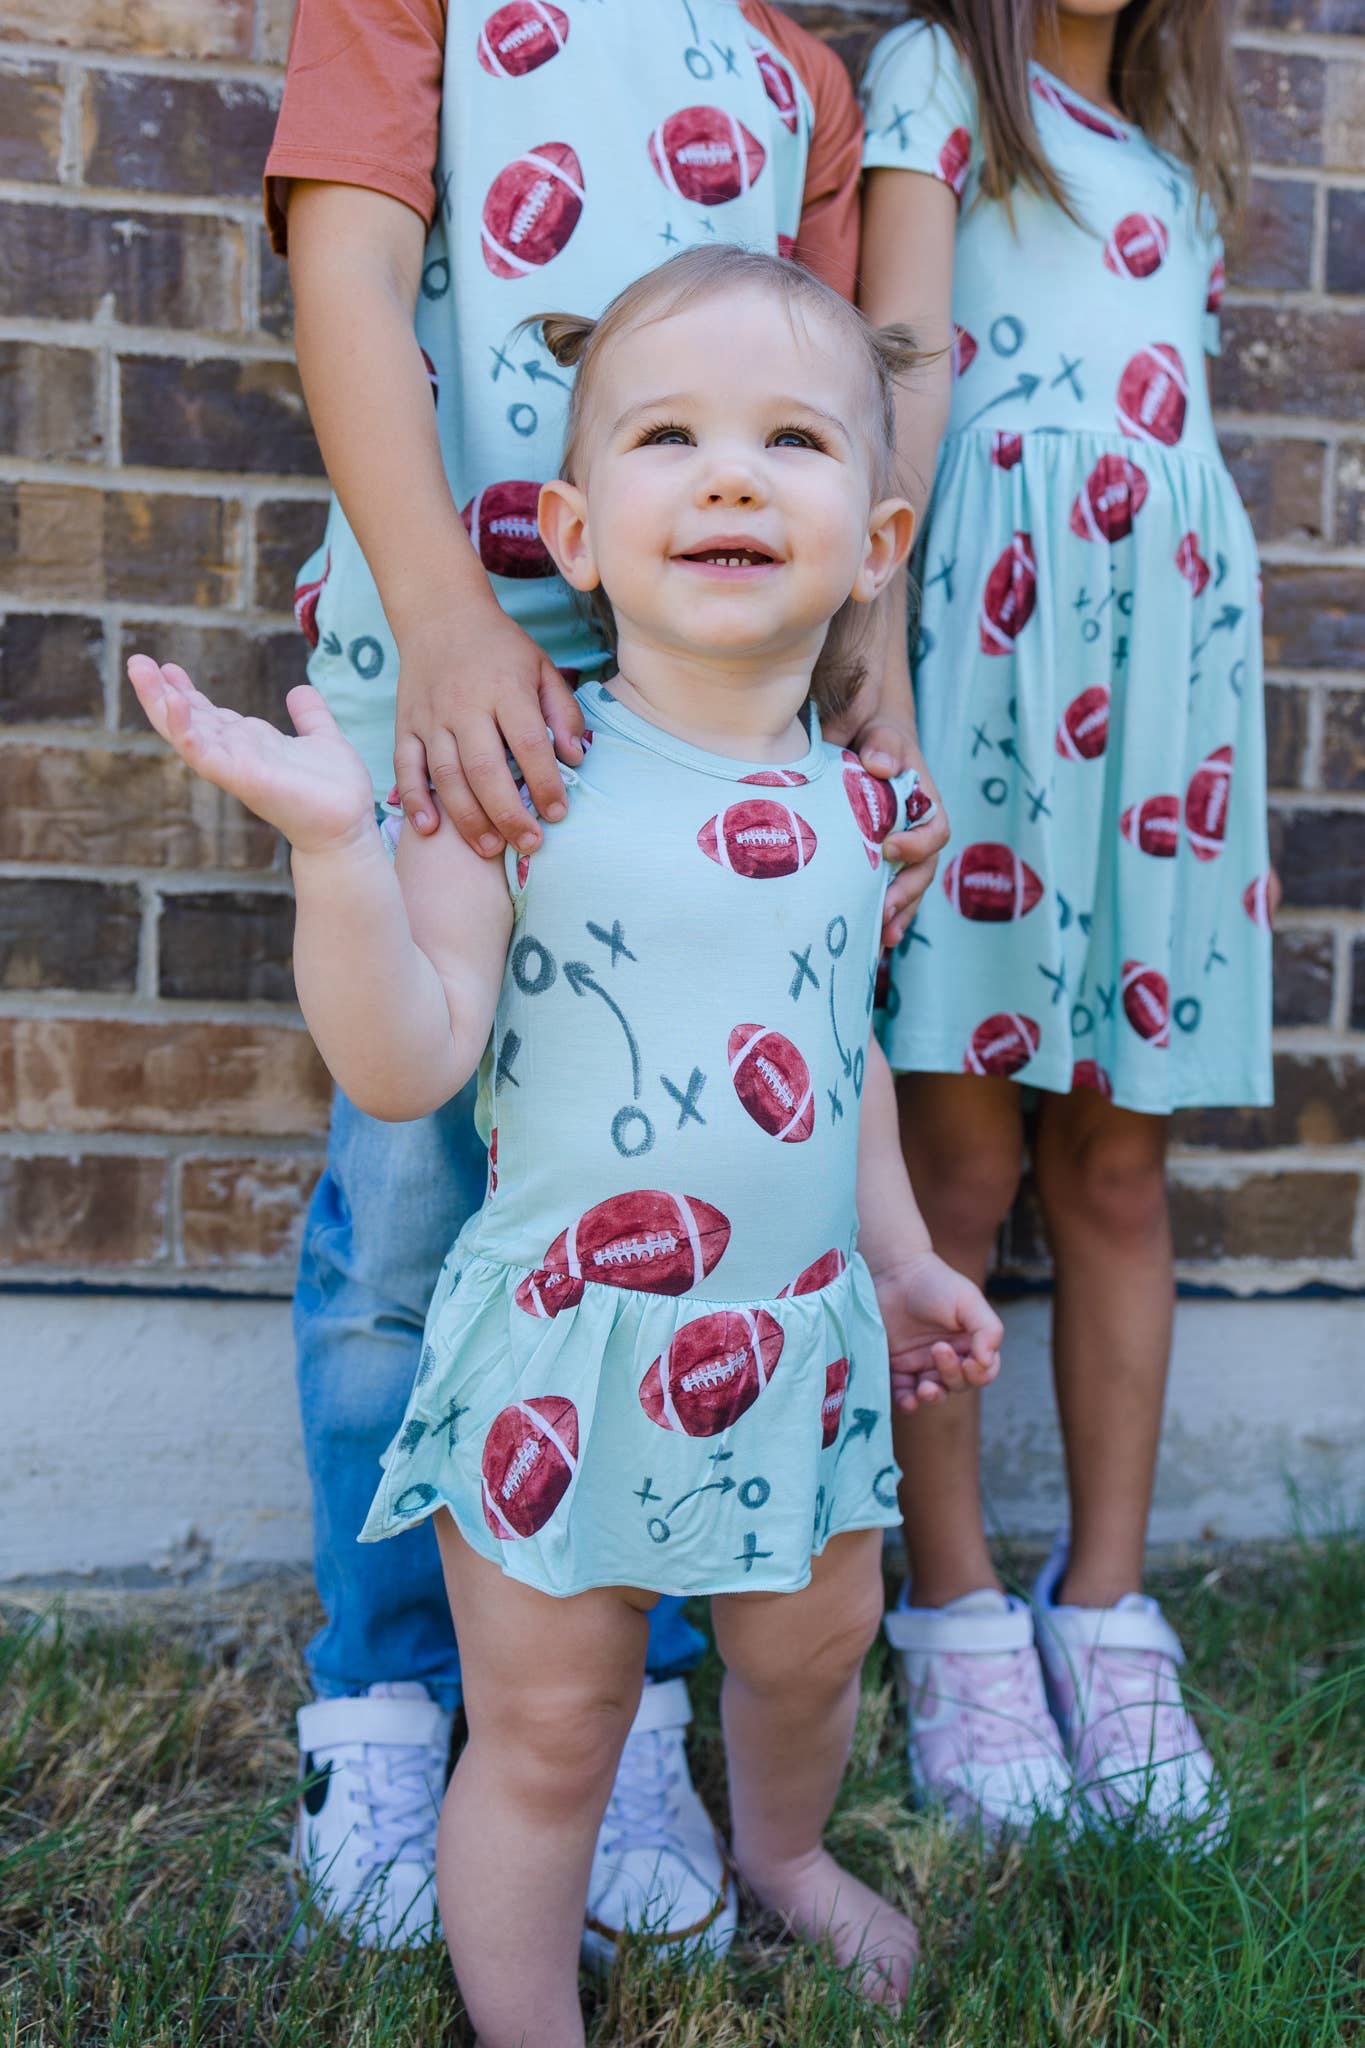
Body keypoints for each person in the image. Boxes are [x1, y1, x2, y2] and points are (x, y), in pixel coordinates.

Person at [128, 244, 1003, 2043]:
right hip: (567, 1359)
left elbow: (831, 1063)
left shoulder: (866, 812)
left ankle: (777, 1854)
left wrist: (904, 1255)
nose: (734, 474)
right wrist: (335, 853)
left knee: (806, 1655)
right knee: (547, 1723)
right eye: (670, 437)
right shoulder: (514, 781)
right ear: (575, 531)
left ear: (879, 540)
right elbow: (402, 1062)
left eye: (790, 442)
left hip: (796, 1342)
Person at [262, 0, 948, 1955]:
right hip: (466, 666)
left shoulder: (792, 80)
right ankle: (391, 1691)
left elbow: (816, 382)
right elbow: (352, 283)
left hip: (728, 713)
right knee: (415, 1229)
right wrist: (452, 616)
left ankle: (618, 1700)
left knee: (700, 1207)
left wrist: (864, 666)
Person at [857, 0, 1272, 1840]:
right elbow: (902, 364)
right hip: (990, 653)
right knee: (954, 1169)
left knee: (1114, 1169)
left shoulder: (1178, 151)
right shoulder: (941, 79)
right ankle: (947, 1613)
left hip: (1165, 685)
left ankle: (1102, 1609)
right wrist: (877, 667)